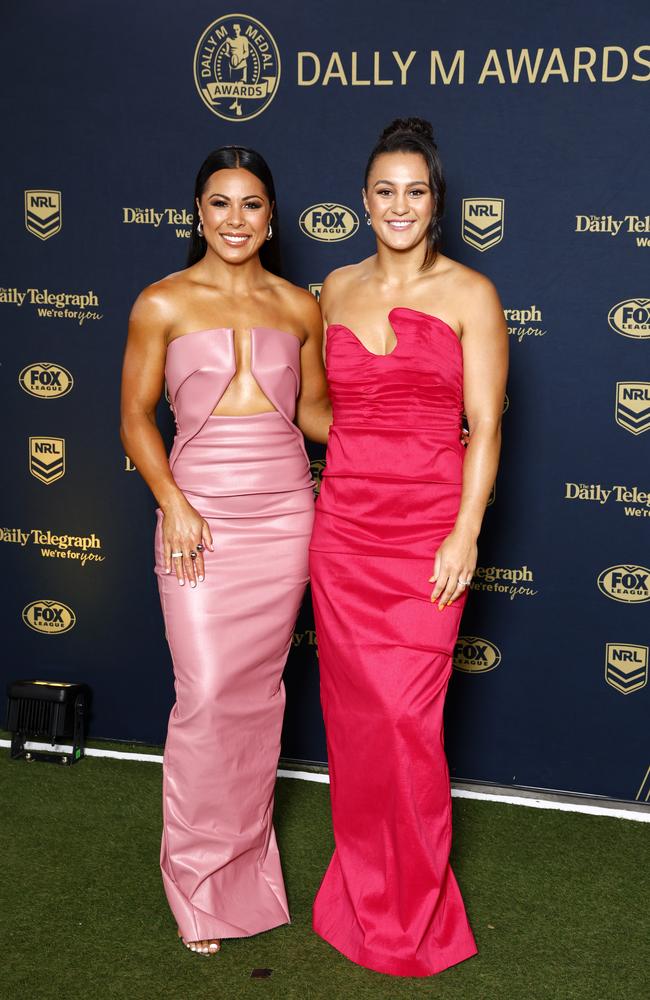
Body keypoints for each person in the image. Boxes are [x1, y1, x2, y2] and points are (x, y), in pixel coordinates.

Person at [309, 117, 508, 977]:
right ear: (364, 200)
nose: (400, 205)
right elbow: (321, 409)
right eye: (384, 190)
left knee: (407, 723)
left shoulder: (472, 292)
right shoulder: (332, 287)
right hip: (345, 533)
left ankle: (414, 908)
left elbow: (489, 424)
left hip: (429, 535)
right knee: (357, 727)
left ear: (436, 203)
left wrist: (465, 530)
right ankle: (357, 887)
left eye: (415, 191)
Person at [119, 146, 330, 956]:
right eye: (220, 204)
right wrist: (173, 501)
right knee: (206, 698)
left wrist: (396, 438)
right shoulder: (162, 304)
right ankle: (198, 886)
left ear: (271, 217)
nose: (235, 220)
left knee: (257, 700)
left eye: (250, 205)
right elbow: (136, 416)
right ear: (197, 214)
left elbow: (312, 415)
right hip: (197, 516)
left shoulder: (298, 308)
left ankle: (246, 878)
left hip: (285, 518)